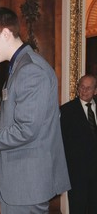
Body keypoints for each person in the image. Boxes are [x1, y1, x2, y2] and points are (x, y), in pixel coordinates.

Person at [0, 7, 71, 213]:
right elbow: (14, 124)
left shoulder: (30, 71)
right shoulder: (19, 67)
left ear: (6, 34)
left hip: (25, 184)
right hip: (19, 183)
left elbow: (25, 131)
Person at [60, 74, 97, 214]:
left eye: (89, 88)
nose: (85, 90)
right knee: (78, 209)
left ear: (95, 90)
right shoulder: (66, 111)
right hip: (77, 174)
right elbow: (62, 143)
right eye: (82, 87)